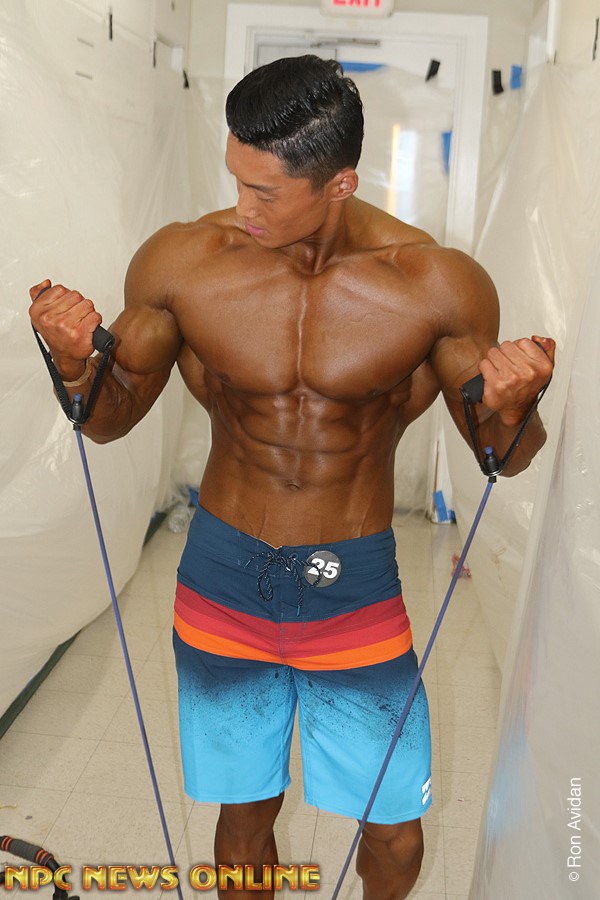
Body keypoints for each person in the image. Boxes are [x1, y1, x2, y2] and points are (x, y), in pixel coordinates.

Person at [29, 56, 554, 900]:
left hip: (353, 585)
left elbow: (502, 454)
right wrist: (71, 362)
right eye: (237, 179)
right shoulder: (183, 262)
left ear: (340, 183)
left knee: (395, 835)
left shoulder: (433, 284)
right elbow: (107, 416)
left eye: (266, 192)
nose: (243, 207)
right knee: (244, 816)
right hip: (222, 575)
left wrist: (513, 402)